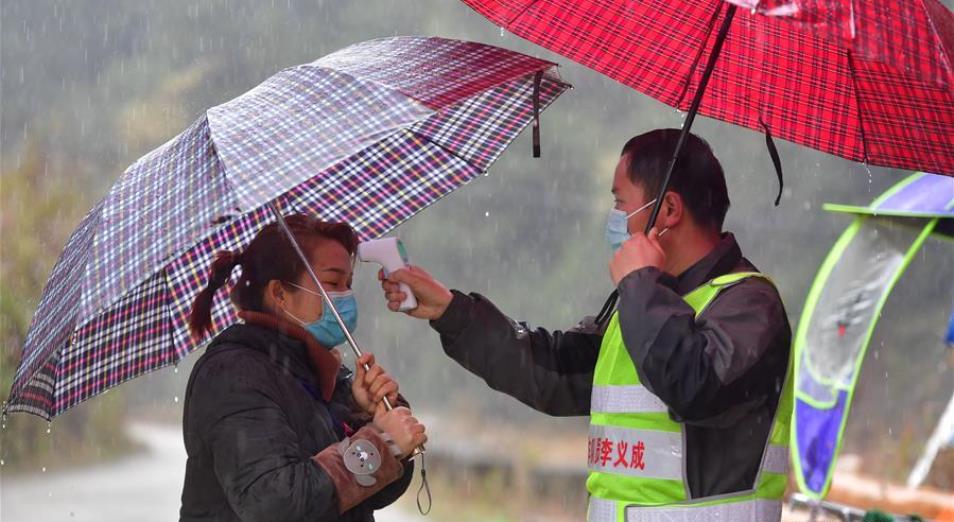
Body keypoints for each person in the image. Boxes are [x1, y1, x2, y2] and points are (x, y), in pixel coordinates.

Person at [380, 129, 793, 521]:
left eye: (620, 202)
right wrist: (451, 312)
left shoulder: (748, 304)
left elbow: (693, 386)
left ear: (668, 210)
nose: (614, 217)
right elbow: (552, 374)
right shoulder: (646, 305)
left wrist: (640, 284)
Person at [179, 214, 426, 522]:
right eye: (333, 282)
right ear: (280, 294)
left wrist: (363, 414)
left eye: (348, 284)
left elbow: (366, 495)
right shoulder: (233, 375)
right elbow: (274, 502)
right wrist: (380, 443)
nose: (345, 296)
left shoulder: (322, 376)